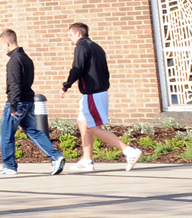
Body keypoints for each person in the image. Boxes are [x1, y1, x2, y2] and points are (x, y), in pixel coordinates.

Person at [61, 21, 142, 172]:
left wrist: (66, 85)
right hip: (97, 92)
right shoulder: (97, 47)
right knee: (83, 123)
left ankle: (129, 151)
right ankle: (87, 160)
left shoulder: (81, 46)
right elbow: (105, 71)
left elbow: (77, 68)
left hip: (93, 94)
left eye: (71, 35)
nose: (70, 39)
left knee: (93, 127)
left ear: (78, 34)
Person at [0, 29, 65, 176]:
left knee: (6, 134)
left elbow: (14, 84)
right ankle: (56, 157)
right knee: (34, 132)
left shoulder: (14, 61)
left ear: (7, 43)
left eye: (2, 45)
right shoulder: (26, 58)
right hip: (28, 101)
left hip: (17, 103)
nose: (2, 48)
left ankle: (9, 166)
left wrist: (13, 105)